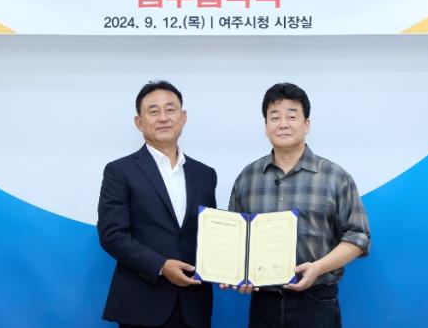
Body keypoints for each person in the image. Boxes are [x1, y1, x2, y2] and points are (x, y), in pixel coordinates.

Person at [227, 83, 370, 328]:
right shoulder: (247, 178)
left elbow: (358, 238)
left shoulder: (335, 176)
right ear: (265, 126)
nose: (283, 124)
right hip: (263, 303)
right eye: (275, 117)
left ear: (307, 124)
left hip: (316, 302)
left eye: (292, 116)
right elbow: (235, 238)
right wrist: (236, 273)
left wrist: (318, 267)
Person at [98, 80, 217, 328]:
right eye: (153, 111)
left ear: (183, 117)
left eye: (170, 109)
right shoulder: (120, 171)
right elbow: (112, 235)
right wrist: (161, 266)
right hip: (142, 304)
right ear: (139, 122)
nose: (163, 118)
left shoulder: (205, 174)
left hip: (194, 306)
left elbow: (211, 235)